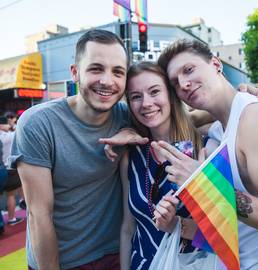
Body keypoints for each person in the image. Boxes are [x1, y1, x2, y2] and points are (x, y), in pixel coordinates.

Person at [148, 39, 258, 268]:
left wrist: (202, 183)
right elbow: (234, 229)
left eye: (189, 69)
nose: (183, 83)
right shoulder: (217, 130)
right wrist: (177, 225)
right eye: (175, 82)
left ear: (216, 64)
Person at [10, 29, 133, 270]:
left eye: (118, 72)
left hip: (114, 254)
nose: (108, 81)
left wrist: (133, 132)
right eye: (96, 68)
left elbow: (190, 117)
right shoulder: (39, 123)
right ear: (75, 73)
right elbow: (39, 215)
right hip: (60, 261)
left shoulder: (128, 116)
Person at [119, 61, 213, 270]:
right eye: (136, 96)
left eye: (154, 92)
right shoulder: (131, 156)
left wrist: (178, 226)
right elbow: (128, 228)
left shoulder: (204, 149)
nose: (146, 103)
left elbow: (225, 232)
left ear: (170, 95)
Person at [0, 116, 23, 226]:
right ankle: (11, 218)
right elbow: (20, 130)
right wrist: (13, 124)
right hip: (9, 168)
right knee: (10, 195)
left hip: (1, 168)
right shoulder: (9, 136)